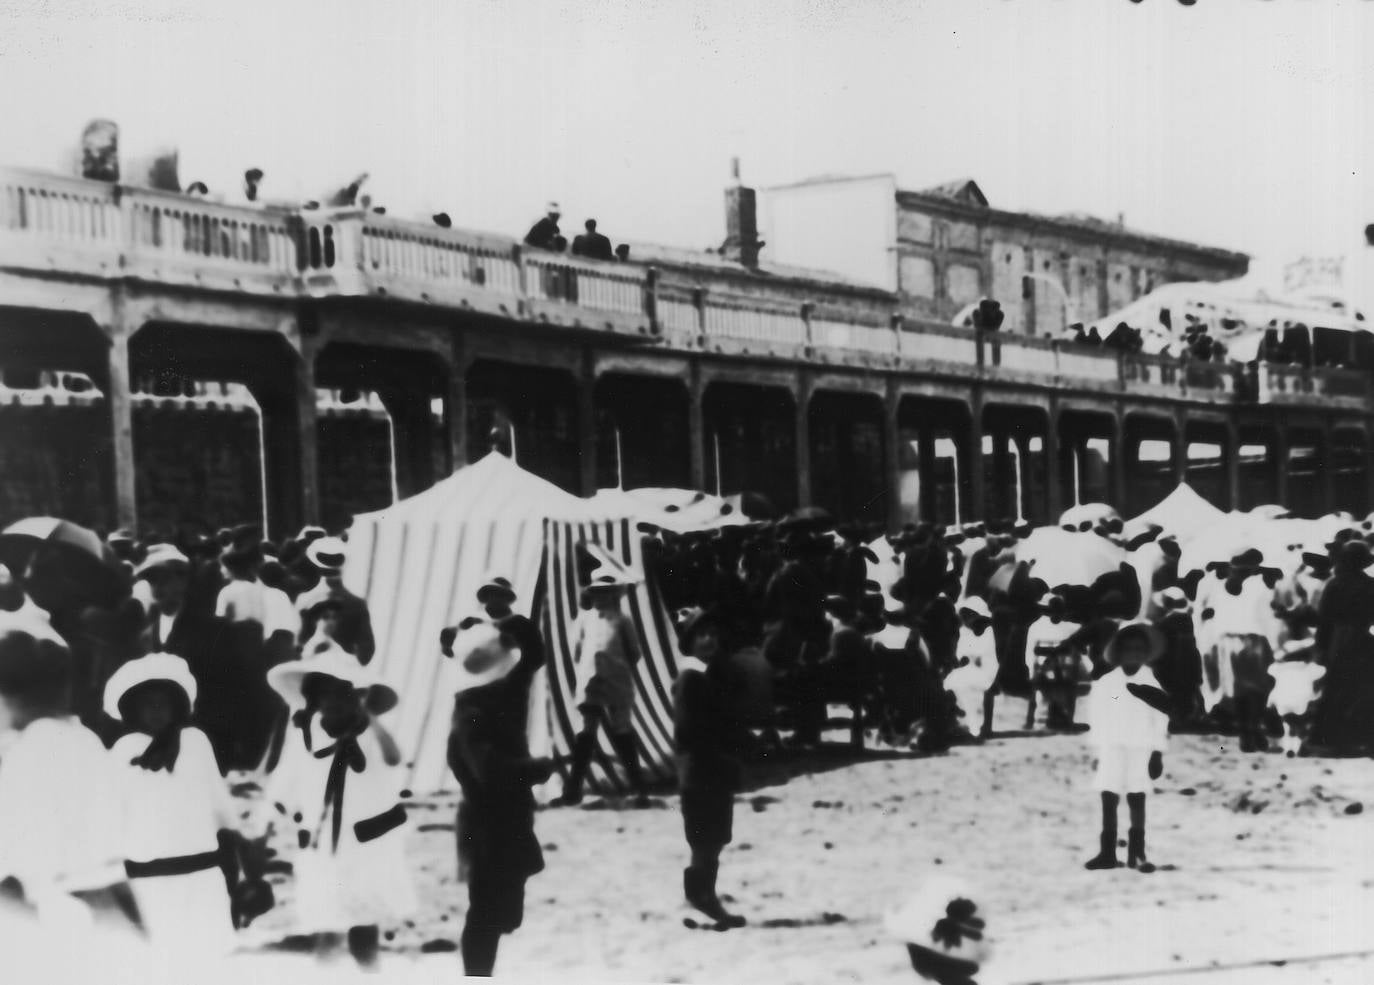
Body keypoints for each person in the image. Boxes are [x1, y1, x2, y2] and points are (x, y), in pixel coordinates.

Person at [259, 645, 415, 967]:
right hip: (321, 844)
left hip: (365, 845)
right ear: (314, 698)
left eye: (341, 693)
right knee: (325, 928)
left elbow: (393, 758)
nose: (332, 702)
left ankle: (369, 970)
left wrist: (369, 717)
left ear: (355, 696)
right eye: (324, 694)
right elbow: (286, 778)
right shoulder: (306, 734)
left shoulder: (370, 732)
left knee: (363, 928)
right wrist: (267, 821)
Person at [0, 617, 141, 933]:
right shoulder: (82, 737)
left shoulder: (34, 747)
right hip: (105, 899)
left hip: (59, 908)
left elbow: (17, 857)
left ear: (9, 698)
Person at [444, 580, 554, 978]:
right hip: (487, 825)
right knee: (487, 915)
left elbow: (532, 655)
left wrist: (503, 625)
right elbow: (490, 771)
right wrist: (536, 768)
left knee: (505, 911)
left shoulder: (495, 698)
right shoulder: (471, 714)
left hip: (507, 819)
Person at [103, 653, 237, 956]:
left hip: (202, 874)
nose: (156, 711)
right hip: (150, 880)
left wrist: (236, 854)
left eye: (163, 703)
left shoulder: (196, 742)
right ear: (133, 710)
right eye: (147, 704)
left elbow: (219, 803)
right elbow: (111, 813)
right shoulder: (123, 751)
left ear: (176, 707)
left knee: (207, 956)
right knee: (162, 957)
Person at [672, 609, 749, 929]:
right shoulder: (690, 678)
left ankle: (705, 896)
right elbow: (688, 730)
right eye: (702, 635)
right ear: (689, 641)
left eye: (714, 635)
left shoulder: (710, 675)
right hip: (700, 769)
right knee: (704, 840)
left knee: (714, 839)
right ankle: (701, 898)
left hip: (713, 769)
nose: (709, 641)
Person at [554, 571, 649, 807]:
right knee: (585, 732)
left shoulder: (622, 620)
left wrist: (615, 666)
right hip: (590, 681)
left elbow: (634, 652)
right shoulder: (584, 619)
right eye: (597, 592)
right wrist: (590, 669)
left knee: (622, 730)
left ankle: (639, 789)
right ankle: (573, 789)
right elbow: (576, 651)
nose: (601, 597)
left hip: (617, 680)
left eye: (606, 592)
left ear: (614, 595)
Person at [1083, 621, 1171, 874]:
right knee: (1109, 795)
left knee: (1137, 795)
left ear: (1146, 653)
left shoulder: (1151, 683)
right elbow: (1096, 716)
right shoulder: (1107, 683)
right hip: (1112, 746)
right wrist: (1097, 751)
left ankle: (1137, 852)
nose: (1134, 654)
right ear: (1118, 652)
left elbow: (1160, 719)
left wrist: (1157, 752)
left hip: (1140, 747)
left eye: (1139, 649)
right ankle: (1107, 852)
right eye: (1129, 649)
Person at [295, 537, 375, 665]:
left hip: (310, 665)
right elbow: (366, 651)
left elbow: (298, 643)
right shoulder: (356, 603)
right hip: (341, 668)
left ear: (317, 565)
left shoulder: (306, 600)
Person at [945, 597, 999, 738]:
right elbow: (960, 654)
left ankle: (975, 726)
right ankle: (962, 724)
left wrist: (967, 659)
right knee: (952, 684)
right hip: (968, 670)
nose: (967, 619)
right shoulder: (964, 632)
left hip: (986, 670)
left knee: (961, 683)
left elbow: (985, 656)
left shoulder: (988, 631)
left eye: (970, 615)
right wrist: (961, 660)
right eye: (965, 615)